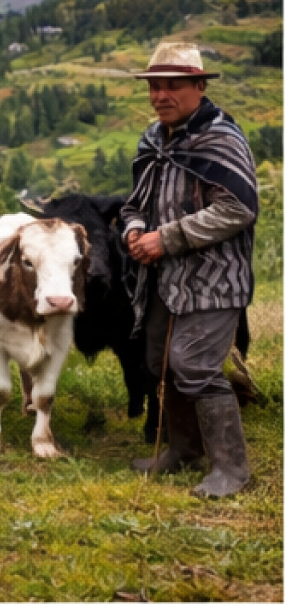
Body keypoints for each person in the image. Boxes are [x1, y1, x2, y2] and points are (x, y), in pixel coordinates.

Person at [121, 41, 258, 498]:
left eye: (173, 86)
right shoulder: (152, 139)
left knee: (195, 364)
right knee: (161, 360)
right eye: (155, 87)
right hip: (164, 278)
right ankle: (182, 449)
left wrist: (168, 238)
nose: (161, 95)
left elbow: (239, 208)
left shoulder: (221, 138)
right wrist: (136, 231)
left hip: (214, 279)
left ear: (199, 86)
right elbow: (135, 202)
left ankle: (232, 469)